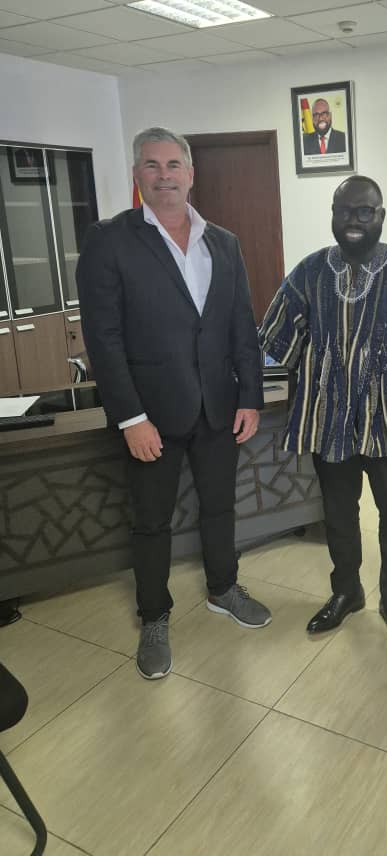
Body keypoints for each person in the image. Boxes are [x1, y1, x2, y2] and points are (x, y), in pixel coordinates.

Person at [76, 126, 271, 681]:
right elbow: (104, 340)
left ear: (191, 173)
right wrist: (130, 417)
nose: (164, 176)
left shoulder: (223, 242)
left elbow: (241, 326)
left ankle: (223, 588)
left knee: (220, 507)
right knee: (151, 522)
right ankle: (155, 616)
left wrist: (250, 396)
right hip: (150, 416)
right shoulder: (110, 241)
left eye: (173, 165)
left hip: (218, 407)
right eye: (152, 165)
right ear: (137, 175)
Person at [259, 175, 387, 650]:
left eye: (364, 212)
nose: (353, 220)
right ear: (333, 214)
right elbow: (281, 342)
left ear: (380, 217)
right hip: (328, 418)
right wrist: (298, 406)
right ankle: (346, 592)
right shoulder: (310, 271)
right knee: (337, 510)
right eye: (344, 211)